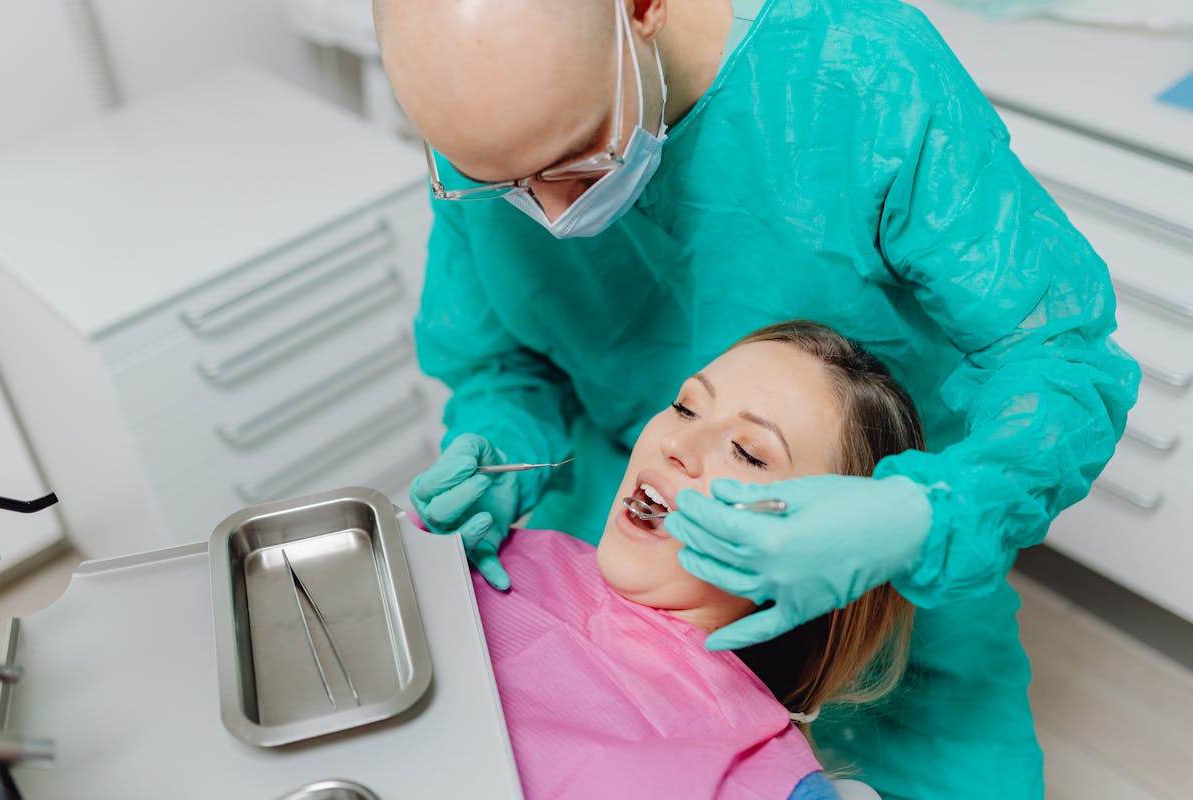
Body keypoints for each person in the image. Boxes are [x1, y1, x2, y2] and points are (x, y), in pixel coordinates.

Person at [375, 1, 1141, 796]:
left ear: (641, 8)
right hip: (627, 536)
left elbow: (1060, 358)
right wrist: (501, 446)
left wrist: (920, 519)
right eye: (503, 184)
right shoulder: (488, 125)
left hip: (885, 573)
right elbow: (499, 357)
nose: (556, 217)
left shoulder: (860, 80)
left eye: (575, 159)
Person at [438, 321, 919, 799]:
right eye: (686, 407)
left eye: (748, 453)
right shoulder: (483, 552)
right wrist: (426, 547)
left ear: (813, 561)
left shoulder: (764, 782)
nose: (675, 445)